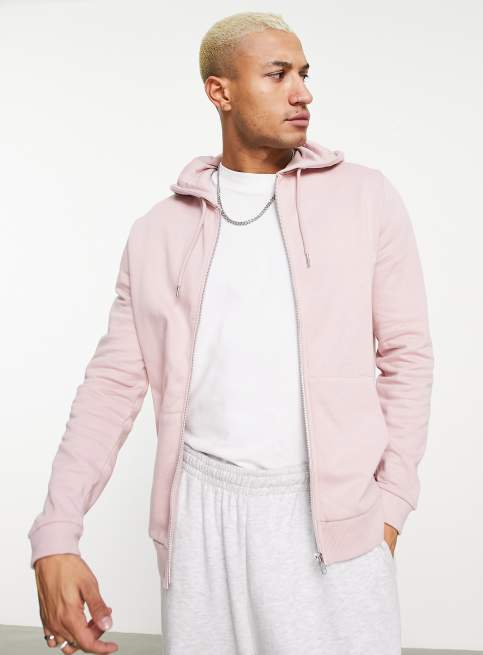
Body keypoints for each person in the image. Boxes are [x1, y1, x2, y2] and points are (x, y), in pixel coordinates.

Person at [28, 11, 434, 655]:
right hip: (201, 520)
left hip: (333, 522)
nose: (302, 92)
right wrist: (56, 532)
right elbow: (111, 387)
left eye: (304, 74)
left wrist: (391, 506)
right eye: (277, 75)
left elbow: (407, 357)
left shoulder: (366, 198)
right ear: (220, 91)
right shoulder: (159, 231)